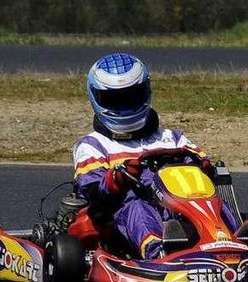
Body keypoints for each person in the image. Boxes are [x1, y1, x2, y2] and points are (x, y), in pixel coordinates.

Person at [72, 53, 237, 260]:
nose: (126, 105)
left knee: (215, 201)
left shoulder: (172, 138)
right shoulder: (93, 145)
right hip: (118, 219)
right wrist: (117, 179)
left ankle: (234, 241)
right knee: (136, 207)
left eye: (132, 96)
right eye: (116, 99)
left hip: (178, 208)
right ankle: (158, 252)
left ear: (145, 92)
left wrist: (201, 165)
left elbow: (201, 164)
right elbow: (92, 191)